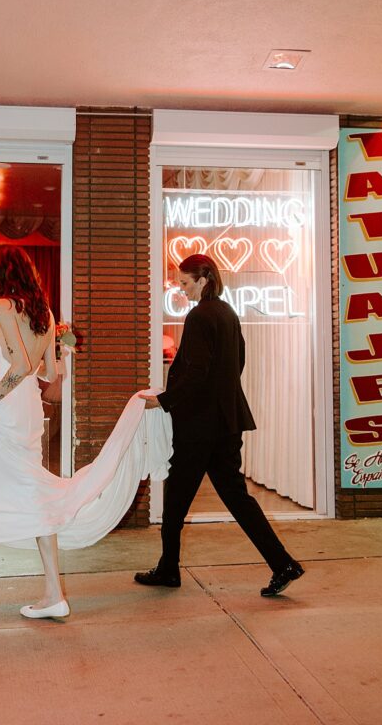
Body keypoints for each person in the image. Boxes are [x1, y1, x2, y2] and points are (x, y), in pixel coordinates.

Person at [0, 247, 172, 620]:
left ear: (0, 274)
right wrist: (62, 350)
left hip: (6, 408)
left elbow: (20, 364)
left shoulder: (2, 305)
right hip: (29, 409)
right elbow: (51, 377)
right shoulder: (43, 313)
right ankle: (49, 592)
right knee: (32, 494)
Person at [136, 253, 304, 598]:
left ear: (204, 279)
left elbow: (197, 372)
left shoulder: (199, 316)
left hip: (199, 427)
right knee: (237, 498)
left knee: (176, 497)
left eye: (185, 283)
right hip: (227, 422)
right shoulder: (228, 314)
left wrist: (164, 401)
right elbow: (236, 363)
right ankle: (282, 564)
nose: (181, 290)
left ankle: (168, 570)